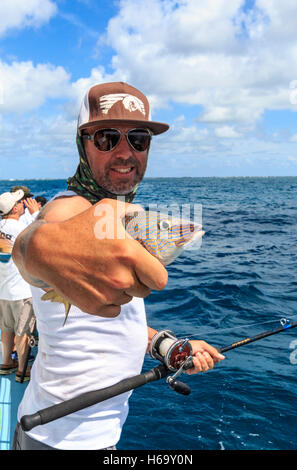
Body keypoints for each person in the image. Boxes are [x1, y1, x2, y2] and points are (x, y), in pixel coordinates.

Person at [12, 82, 225, 450]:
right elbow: (38, 243)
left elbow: (106, 328)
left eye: (139, 139)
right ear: (83, 143)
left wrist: (163, 345)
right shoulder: (70, 209)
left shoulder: (120, 216)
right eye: (107, 138)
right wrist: (35, 249)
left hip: (99, 436)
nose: (125, 152)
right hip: (56, 440)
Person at [0, 190, 35, 382]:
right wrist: (36, 214)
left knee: (6, 330)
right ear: (14, 208)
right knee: (23, 332)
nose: (22, 204)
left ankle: (6, 363)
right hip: (20, 290)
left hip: (2, 291)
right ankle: (22, 370)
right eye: (19, 202)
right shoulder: (21, 227)